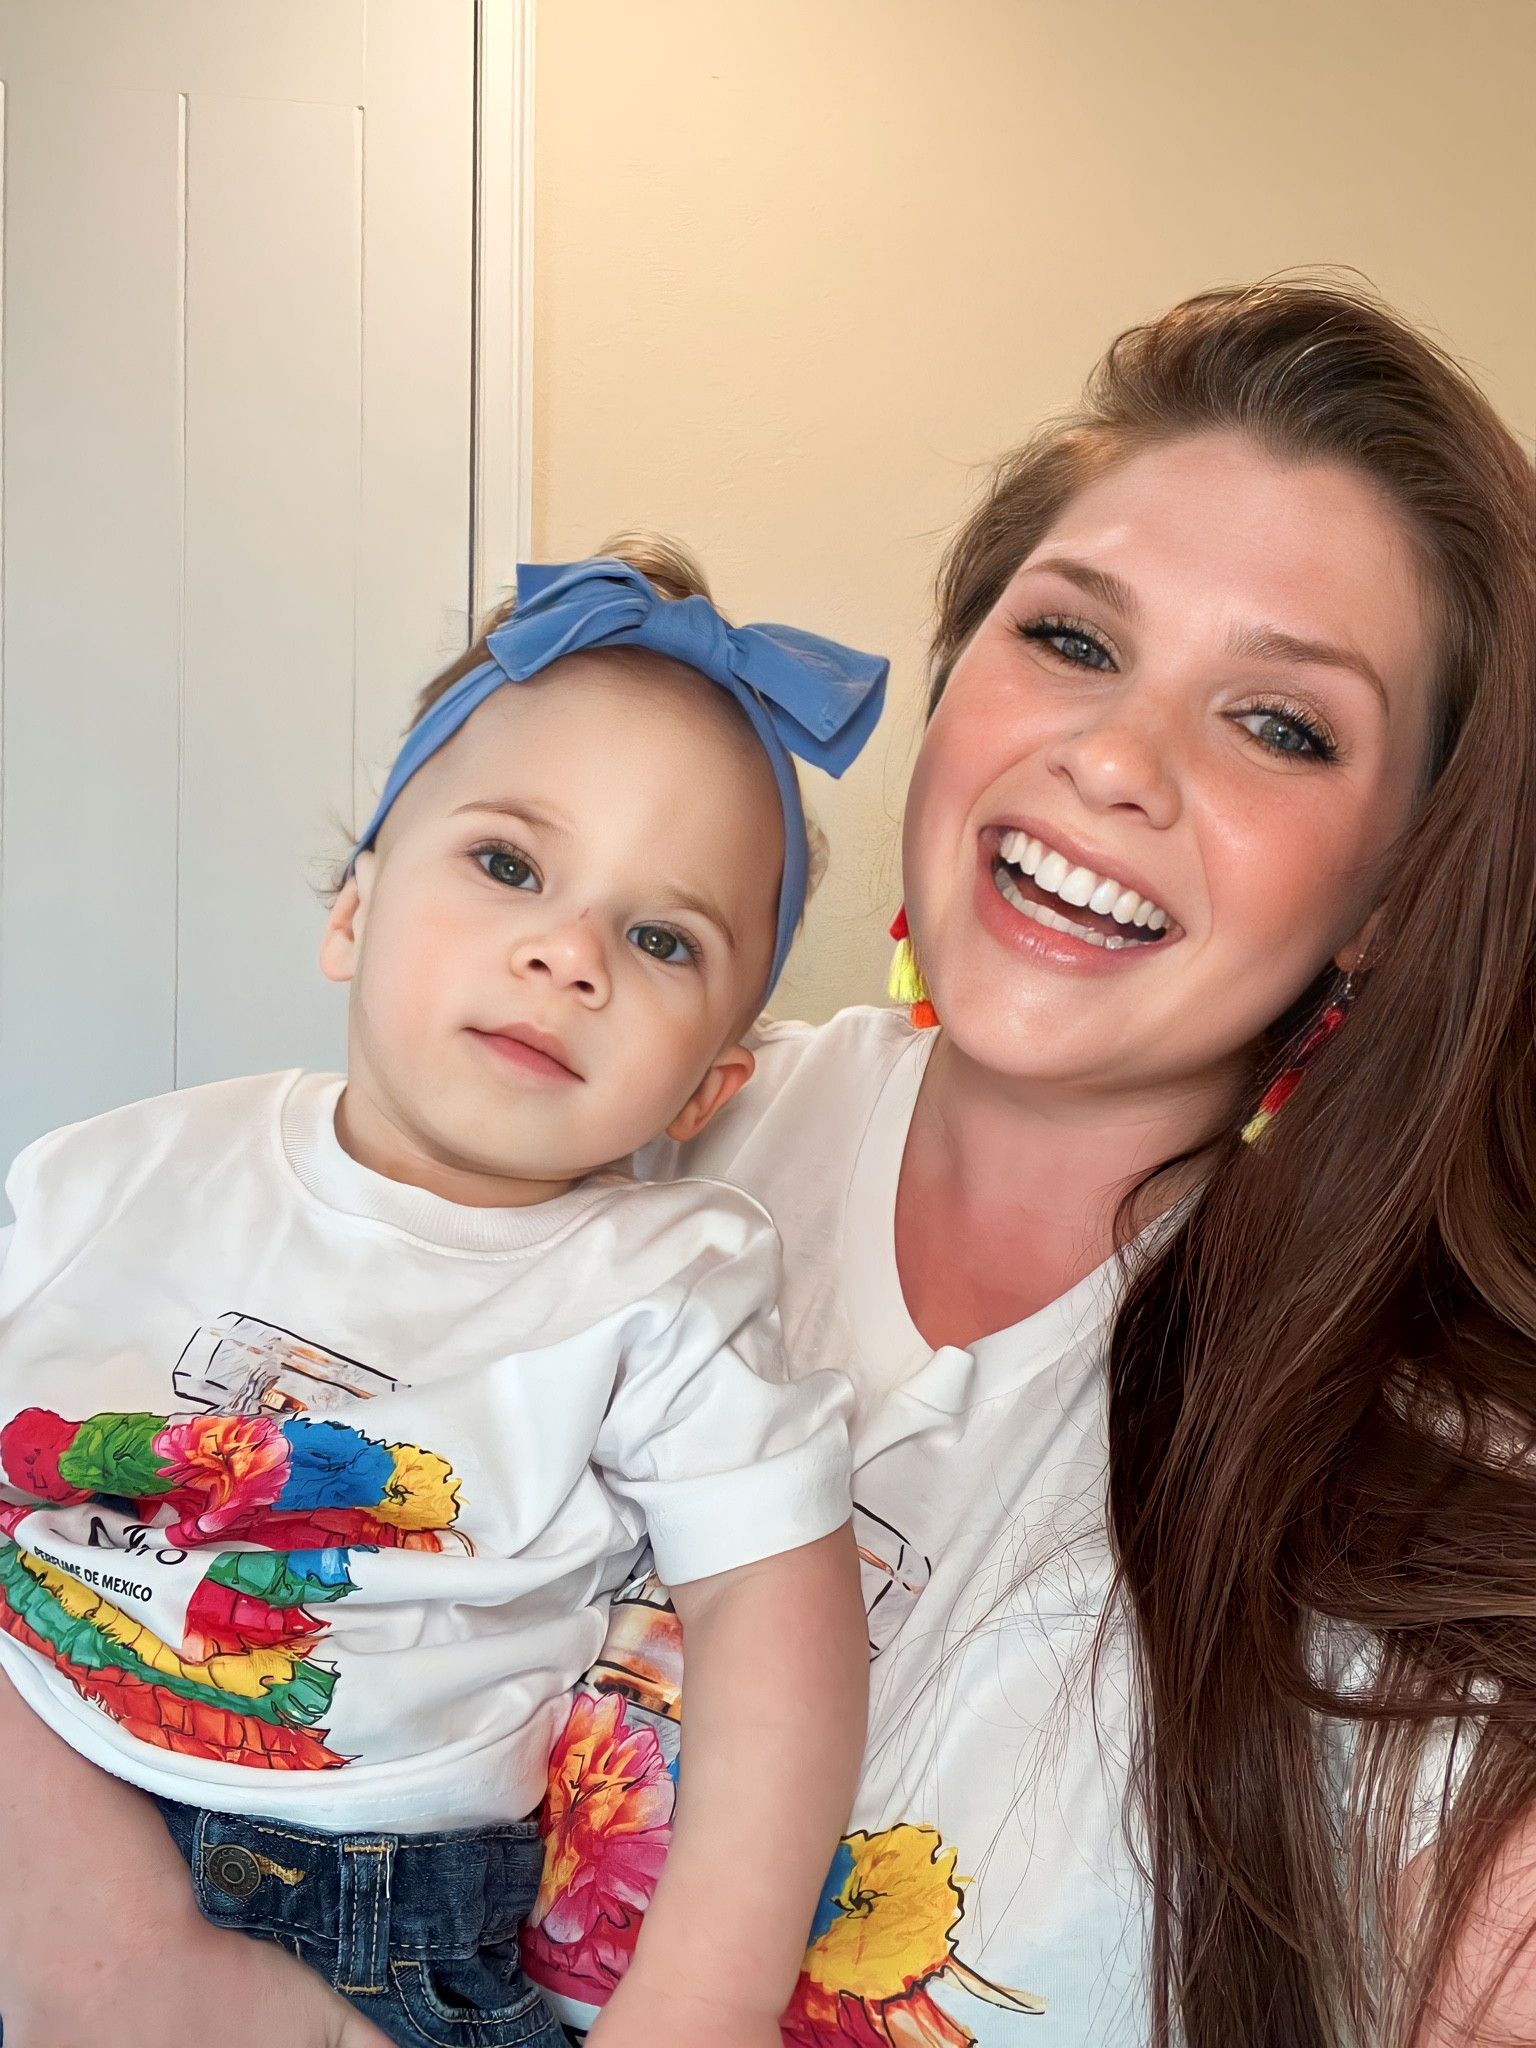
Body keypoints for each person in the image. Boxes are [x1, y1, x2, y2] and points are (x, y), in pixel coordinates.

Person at [2, 278, 1533, 2048]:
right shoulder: (600, 1123)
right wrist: (112, 1948)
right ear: (952, 689)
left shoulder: (1435, 1512)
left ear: (1390, 898)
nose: (1114, 759)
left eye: (1281, 725)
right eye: (1074, 642)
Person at [0, 552, 887, 2048]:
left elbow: (776, 1620)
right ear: (353, 911)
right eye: (509, 866)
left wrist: (702, 1999)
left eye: (663, 940)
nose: (569, 954)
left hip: (367, 1918)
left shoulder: (669, 1279)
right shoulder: (119, 1171)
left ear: (711, 1083)